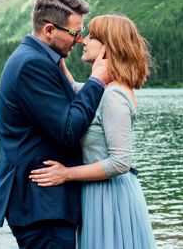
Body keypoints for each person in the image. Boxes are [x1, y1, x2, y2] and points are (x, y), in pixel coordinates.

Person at [0, 0, 111, 249]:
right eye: (74, 33)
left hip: (45, 205)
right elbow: (68, 130)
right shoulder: (31, 65)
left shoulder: (39, 59)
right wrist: (97, 82)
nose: (80, 40)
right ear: (49, 30)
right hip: (41, 206)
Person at [29, 14, 157, 249]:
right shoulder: (104, 88)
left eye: (91, 37)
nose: (83, 41)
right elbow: (73, 88)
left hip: (111, 197)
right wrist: (58, 48)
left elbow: (120, 162)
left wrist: (66, 173)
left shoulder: (114, 95)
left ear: (108, 46)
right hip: (98, 193)